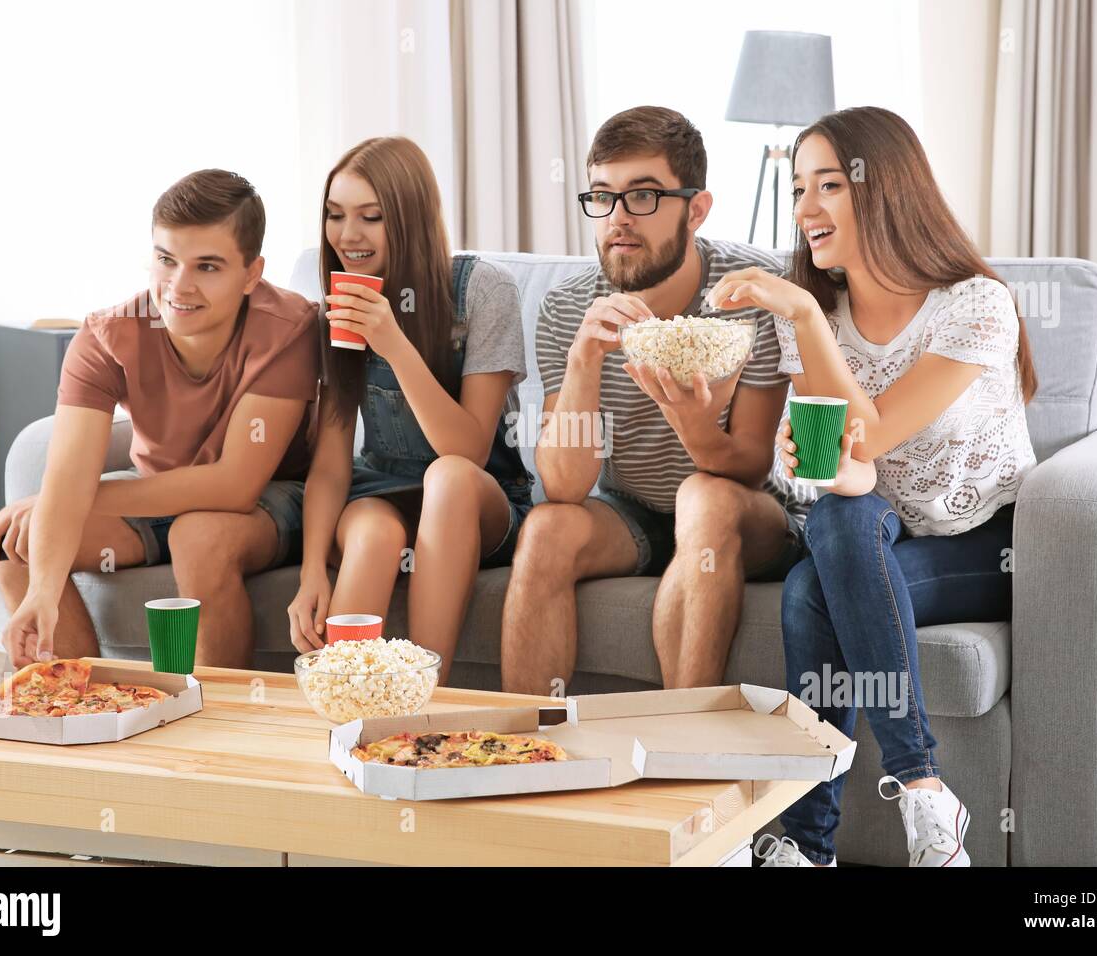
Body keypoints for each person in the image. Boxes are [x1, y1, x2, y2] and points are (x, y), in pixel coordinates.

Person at [711, 106, 1038, 867]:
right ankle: (923, 793)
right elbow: (845, 466)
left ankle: (806, 841)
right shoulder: (814, 315)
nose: (804, 210)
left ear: (885, 189)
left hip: (979, 543)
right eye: (798, 188)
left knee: (807, 591)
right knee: (831, 534)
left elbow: (878, 432)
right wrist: (806, 463)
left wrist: (801, 316)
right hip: (868, 532)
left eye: (828, 184)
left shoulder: (974, 304)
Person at [501, 106, 809, 695]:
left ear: (696, 208)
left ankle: (681, 756)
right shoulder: (569, 309)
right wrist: (583, 361)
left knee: (705, 497)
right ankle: (529, 758)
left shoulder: (750, 295)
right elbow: (565, 487)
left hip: (748, 511)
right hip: (633, 511)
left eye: (643, 197)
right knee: (544, 530)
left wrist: (694, 425)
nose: (618, 219)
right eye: (602, 196)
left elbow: (750, 461)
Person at [0, 169, 320, 668]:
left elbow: (235, 486)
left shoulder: (287, 327)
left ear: (252, 274)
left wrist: (75, 496)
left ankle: (215, 719)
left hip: (274, 495)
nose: (179, 286)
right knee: (16, 539)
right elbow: (68, 469)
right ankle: (87, 709)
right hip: (157, 488)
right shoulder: (106, 336)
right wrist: (43, 582)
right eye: (167, 260)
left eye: (207, 266)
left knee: (197, 536)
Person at [286, 136, 532, 678]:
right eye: (335, 215)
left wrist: (393, 343)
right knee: (372, 536)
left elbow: (466, 450)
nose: (348, 235)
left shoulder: (482, 291)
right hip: (381, 487)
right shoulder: (336, 300)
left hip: (478, 493)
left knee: (447, 475)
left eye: (371, 217)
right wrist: (311, 573)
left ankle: (426, 696)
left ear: (412, 216)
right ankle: (346, 715)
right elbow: (330, 463)